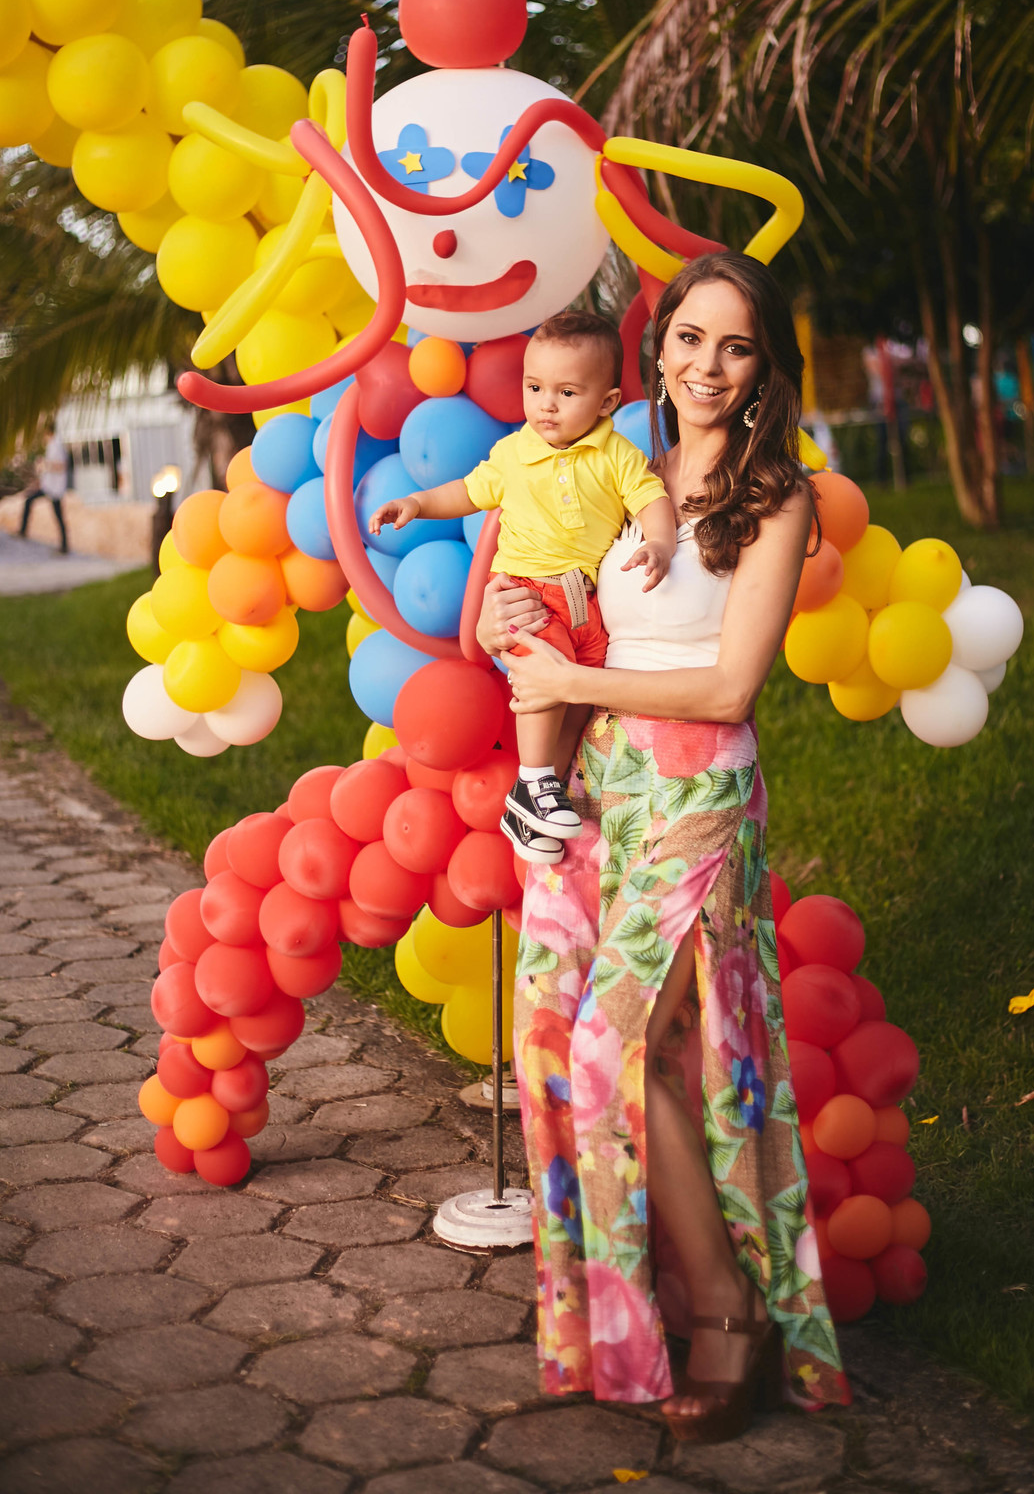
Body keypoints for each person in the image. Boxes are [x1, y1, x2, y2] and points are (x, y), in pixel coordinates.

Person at [477, 252, 849, 1441]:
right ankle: (657, 1305)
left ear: (765, 366)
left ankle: (732, 1313)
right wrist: (508, 618)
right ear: (660, 345)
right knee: (571, 1042)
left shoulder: (780, 496)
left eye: (735, 347)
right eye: (690, 338)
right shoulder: (612, 456)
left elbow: (732, 686)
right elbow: (549, 604)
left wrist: (574, 679)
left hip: (697, 792)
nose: (707, 366)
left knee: (619, 1053)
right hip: (602, 784)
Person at [368, 310, 677, 860]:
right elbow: (468, 490)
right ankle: (534, 781)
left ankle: (534, 802)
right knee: (544, 679)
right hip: (527, 593)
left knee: (580, 699)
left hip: (586, 604)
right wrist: (417, 502)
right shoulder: (515, 453)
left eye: (566, 392)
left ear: (607, 403)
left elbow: (651, 499)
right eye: (535, 388)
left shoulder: (617, 456)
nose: (546, 405)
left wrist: (660, 543)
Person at [18, 433, 69, 554]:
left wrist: (45, 464)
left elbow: (62, 466)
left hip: (55, 489)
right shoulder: (51, 445)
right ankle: (23, 531)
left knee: (58, 516)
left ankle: (64, 546)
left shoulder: (57, 446)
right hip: (49, 486)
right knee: (29, 500)